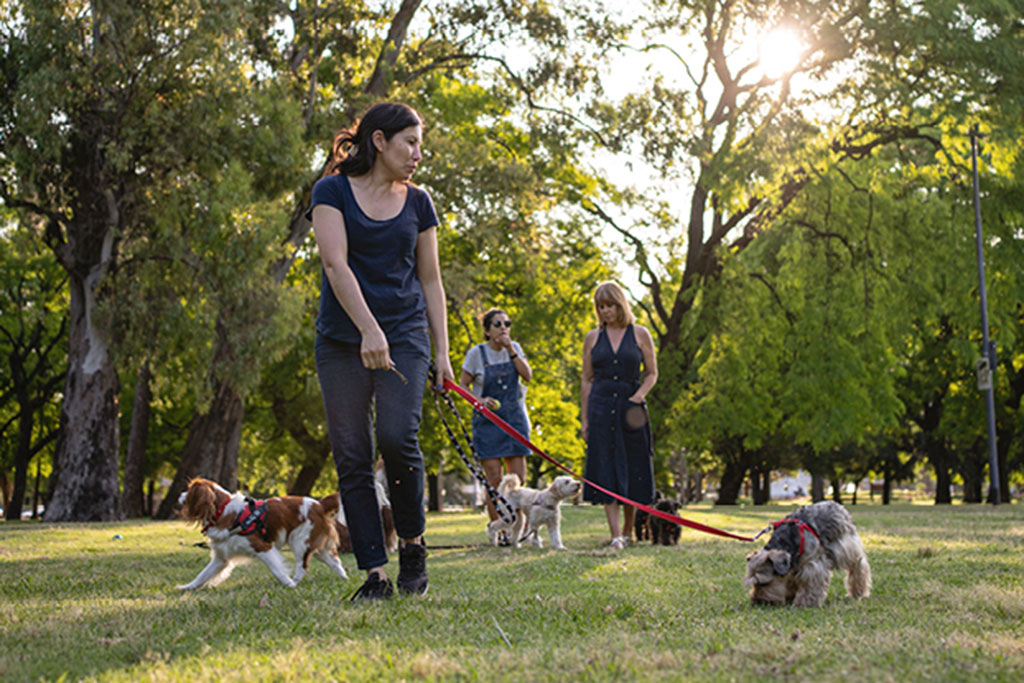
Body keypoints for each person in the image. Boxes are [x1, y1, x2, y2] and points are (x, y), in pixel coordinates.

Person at [308, 102, 454, 601]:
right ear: (378, 142)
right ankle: (375, 573)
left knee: (397, 438)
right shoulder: (330, 191)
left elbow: (431, 280)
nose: (418, 153)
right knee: (352, 455)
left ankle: (412, 546)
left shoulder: (419, 203)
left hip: (407, 334)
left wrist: (443, 354)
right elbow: (335, 264)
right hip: (342, 340)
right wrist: (369, 331)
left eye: (420, 142)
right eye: (409, 142)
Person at [580, 281, 658, 550]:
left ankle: (628, 530)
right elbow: (587, 380)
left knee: (634, 467)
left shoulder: (639, 334)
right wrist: (585, 418)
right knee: (606, 468)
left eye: (610, 305)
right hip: (601, 407)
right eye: (600, 307)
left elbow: (651, 373)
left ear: (620, 304)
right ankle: (615, 535)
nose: (605, 311)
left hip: (631, 409)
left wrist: (638, 396)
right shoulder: (592, 338)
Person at [459, 309, 532, 543]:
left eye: (507, 323)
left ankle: (519, 531)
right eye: (498, 324)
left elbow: (528, 375)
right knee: (494, 480)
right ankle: (498, 529)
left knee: (517, 481)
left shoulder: (516, 349)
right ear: (487, 330)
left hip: (514, 419)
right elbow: (462, 387)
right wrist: (479, 401)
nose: (503, 328)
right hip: (487, 423)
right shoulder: (476, 354)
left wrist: (511, 349)